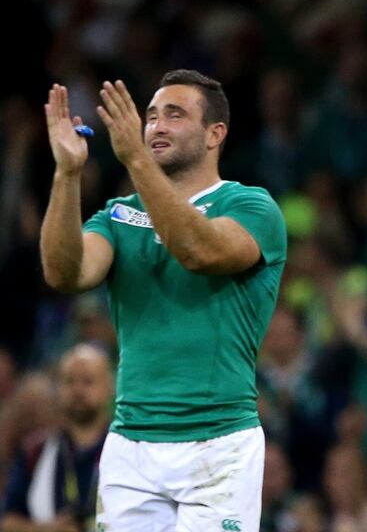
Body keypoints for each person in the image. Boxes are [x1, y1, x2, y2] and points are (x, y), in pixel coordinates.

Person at [40, 70, 287, 530]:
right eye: (151, 117)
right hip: (130, 445)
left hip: (218, 445)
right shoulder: (117, 216)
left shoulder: (252, 207)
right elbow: (64, 273)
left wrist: (136, 160)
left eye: (175, 115)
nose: (156, 126)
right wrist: (67, 174)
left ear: (216, 134)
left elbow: (200, 251)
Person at [1, 344, 112, 532]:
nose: (77, 390)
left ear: (110, 387)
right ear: (57, 388)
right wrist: (46, 529)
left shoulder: (129, 450)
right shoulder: (34, 451)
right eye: (69, 381)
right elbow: (6, 521)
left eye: (87, 381)